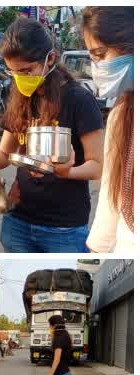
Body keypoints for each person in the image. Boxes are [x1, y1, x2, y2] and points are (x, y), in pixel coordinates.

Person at [0, 17, 104, 253]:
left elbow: (97, 166)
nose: (20, 79)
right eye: (13, 72)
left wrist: (66, 171)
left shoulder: (79, 100)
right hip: (18, 221)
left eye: (26, 70)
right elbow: (5, 153)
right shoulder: (19, 96)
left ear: (50, 59)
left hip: (63, 229)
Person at [80, 7, 134, 252]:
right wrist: (98, 250)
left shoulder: (77, 99)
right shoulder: (122, 112)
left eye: (101, 55)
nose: (97, 67)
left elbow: (96, 165)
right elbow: (112, 193)